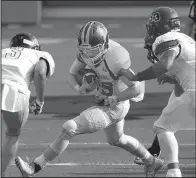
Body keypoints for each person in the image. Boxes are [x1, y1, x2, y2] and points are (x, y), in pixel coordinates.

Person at [15, 21, 163, 177]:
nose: (89, 54)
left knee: (69, 128)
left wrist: (113, 98)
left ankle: (35, 166)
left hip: (116, 105)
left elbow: (136, 89)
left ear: (104, 44)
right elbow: (72, 75)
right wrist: (80, 89)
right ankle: (152, 162)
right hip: (106, 100)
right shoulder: (87, 53)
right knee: (117, 139)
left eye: (93, 49)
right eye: (85, 49)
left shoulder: (116, 58)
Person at [118, 7, 195, 177]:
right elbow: (185, 74)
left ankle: (173, 172)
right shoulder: (187, 39)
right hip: (191, 90)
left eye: (153, 25)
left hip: (194, 91)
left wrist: (137, 77)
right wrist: (172, 78)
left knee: (162, 128)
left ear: (161, 25)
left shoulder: (167, 39)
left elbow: (166, 63)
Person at [1, 32, 55, 177]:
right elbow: (40, 72)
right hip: (14, 89)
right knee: (13, 133)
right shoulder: (40, 54)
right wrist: (40, 100)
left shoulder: (3, 51)